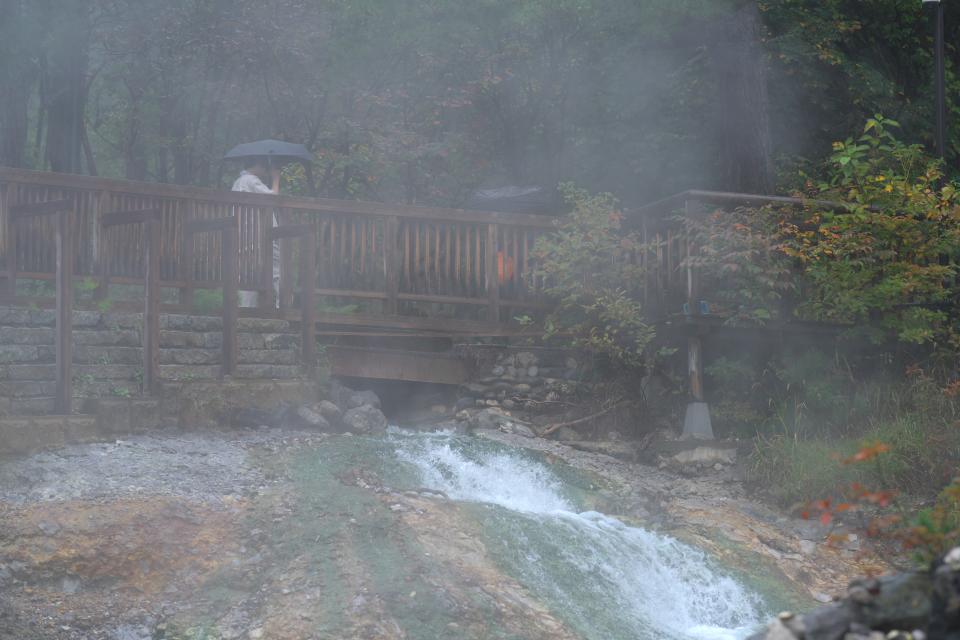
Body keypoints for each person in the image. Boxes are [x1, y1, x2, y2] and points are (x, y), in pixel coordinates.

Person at [232, 158, 281, 308]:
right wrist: (276, 178)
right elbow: (272, 197)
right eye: (265, 166)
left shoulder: (238, 182)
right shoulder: (252, 180)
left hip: (244, 235)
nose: (266, 170)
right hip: (261, 234)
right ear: (257, 165)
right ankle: (283, 306)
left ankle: (245, 308)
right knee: (276, 270)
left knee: (248, 272)